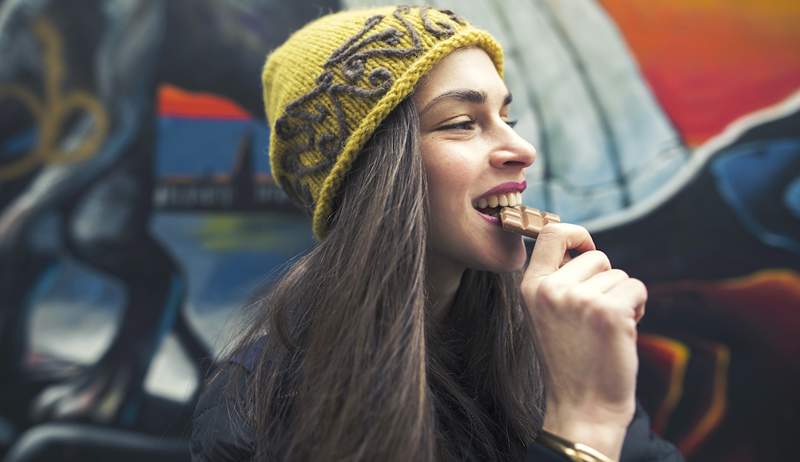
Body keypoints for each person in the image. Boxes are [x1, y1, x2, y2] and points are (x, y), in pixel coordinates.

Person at [191, 5, 684, 461]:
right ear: (372, 176)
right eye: (463, 123)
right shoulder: (256, 403)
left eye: (506, 117)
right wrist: (583, 426)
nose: (521, 148)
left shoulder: (552, 346)